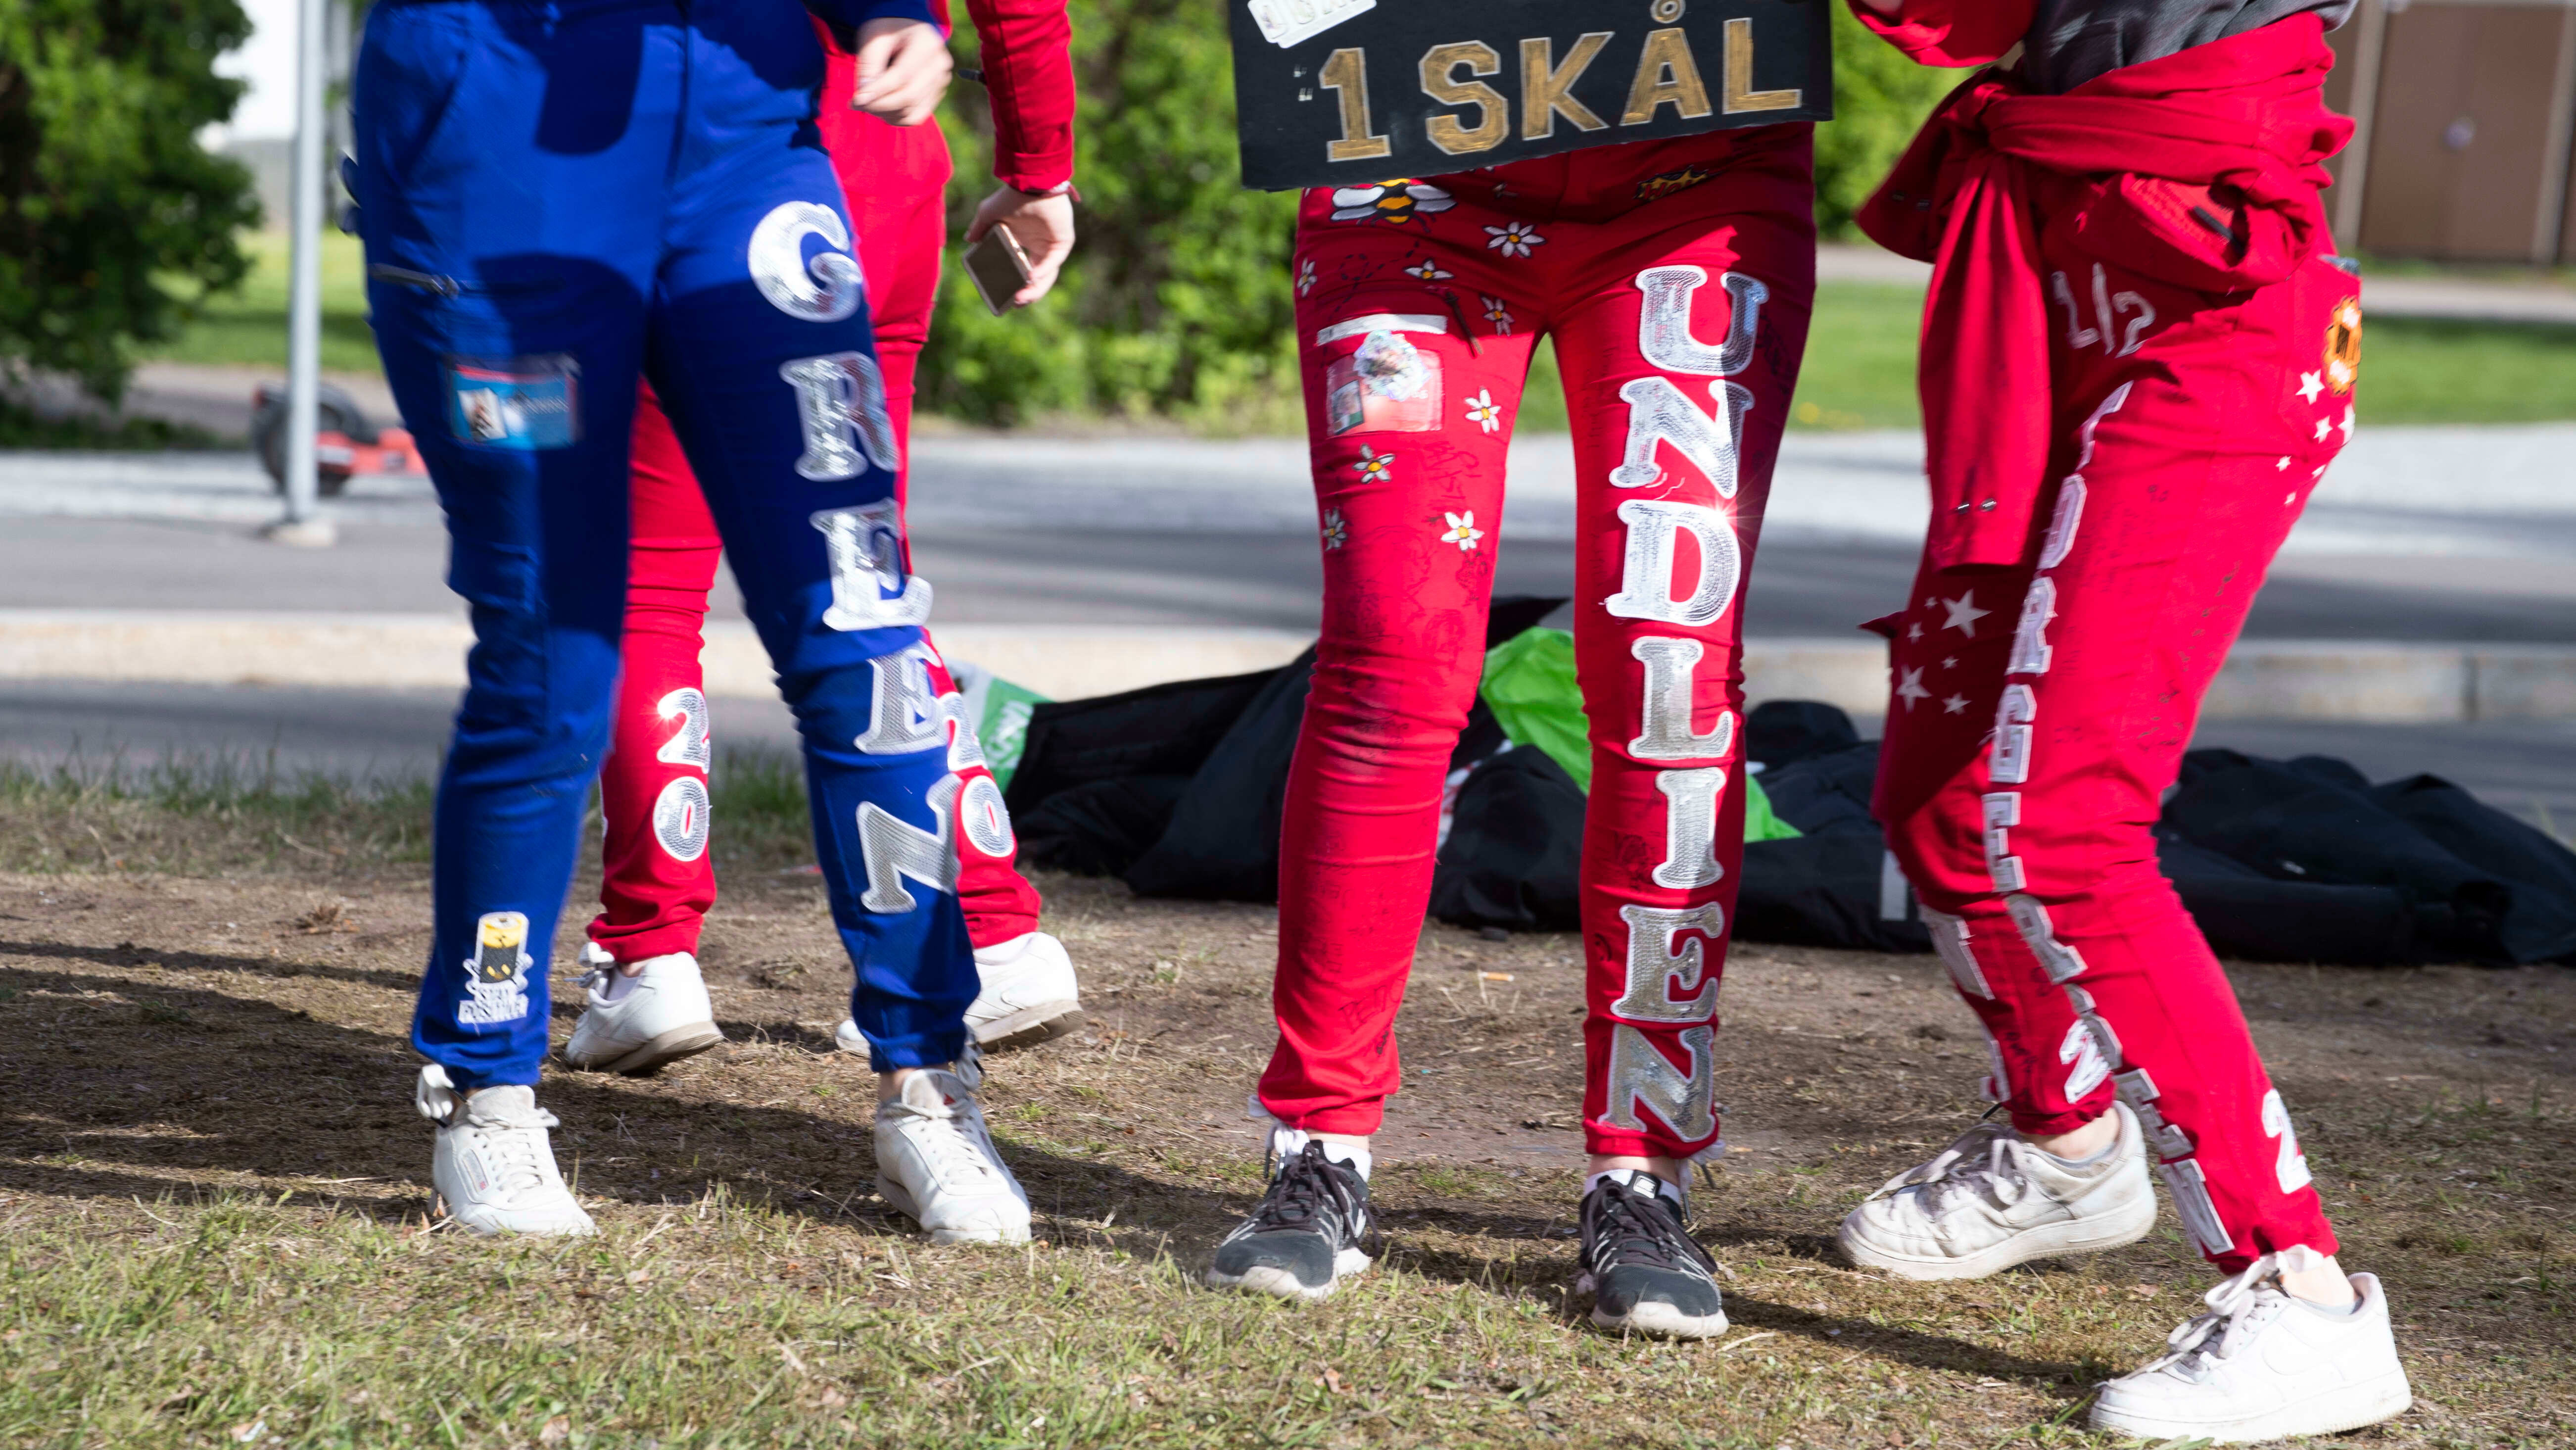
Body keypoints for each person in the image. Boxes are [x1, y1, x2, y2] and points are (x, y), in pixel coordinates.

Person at [354, 0, 1031, 1245]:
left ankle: (929, 1081)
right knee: (551, 648)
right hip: (501, 156)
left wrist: (895, 13)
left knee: (862, 620)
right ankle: (486, 1090)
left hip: (748, 150)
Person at [1830, 0, 2411, 1439]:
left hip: (2220, 291)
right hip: (2054, 261)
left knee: (2064, 823)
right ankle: (2062, 1147)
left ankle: (2302, 1295)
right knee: (1936, 795)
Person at [1202, 125, 1817, 1338]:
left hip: (1696, 193)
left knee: (1667, 671)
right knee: (1389, 658)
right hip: (1403, 179)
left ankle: (1643, 1171)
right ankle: (1318, 1143)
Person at [555, 0, 1084, 1082]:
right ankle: (992, 931)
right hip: (886, 177)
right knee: (863, 575)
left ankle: (650, 952)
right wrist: (1040, 168)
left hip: (717, 162)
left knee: (647, 588)